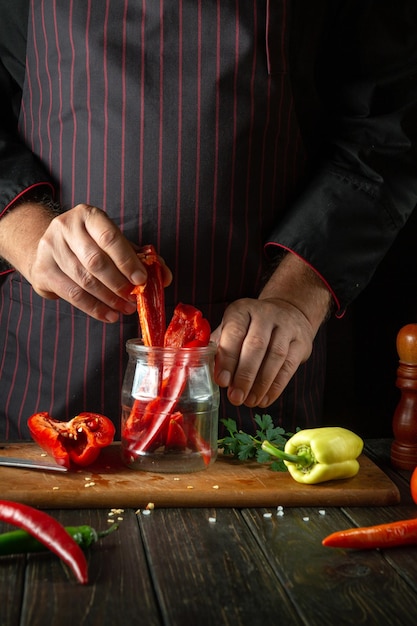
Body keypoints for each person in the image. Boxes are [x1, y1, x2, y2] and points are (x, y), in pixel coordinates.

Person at [0, 0, 416, 440]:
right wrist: (25, 231)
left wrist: (295, 298)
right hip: (55, 356)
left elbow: (386, 130)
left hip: (250, 359)